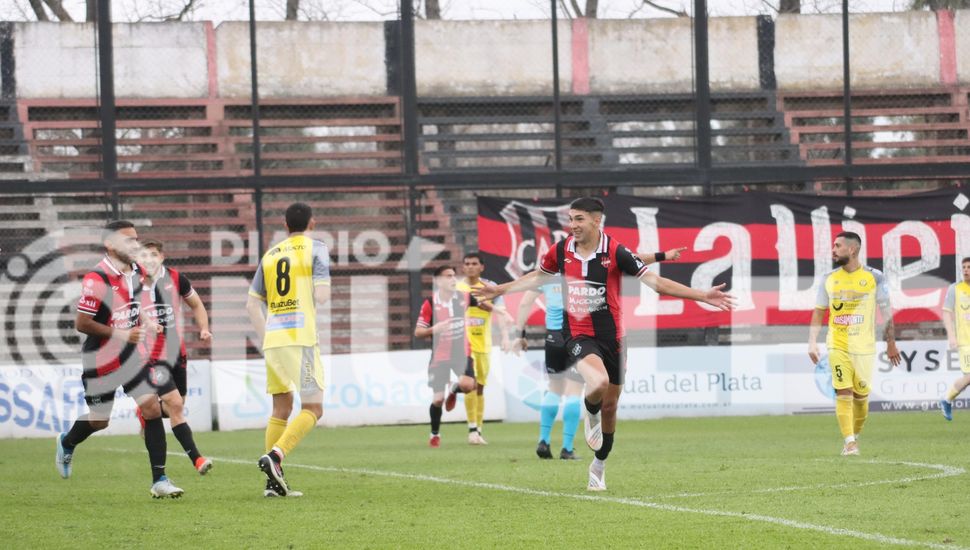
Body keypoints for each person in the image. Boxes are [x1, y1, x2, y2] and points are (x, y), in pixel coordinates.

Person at [475, 197, 733, 491]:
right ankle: (591, 414)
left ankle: (599, 463)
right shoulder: (560, 251)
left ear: (597, 221)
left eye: (579, 219)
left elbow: (657, 284)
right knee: (597, 383)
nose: (573, 225)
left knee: (611, 407)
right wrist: (501, 289)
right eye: (571, 219)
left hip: (615, 340)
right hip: (578, 336)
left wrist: (702, 295)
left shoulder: (615, 251)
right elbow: (537, 277)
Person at [513, 247, 686, 461]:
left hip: (554, 338)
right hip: (579, 335)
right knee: (576, 391)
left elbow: (525, 301)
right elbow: (627, 261)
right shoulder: (583, 270)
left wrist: (519, 333)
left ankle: (543, 441)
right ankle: (567, 448)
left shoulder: (548, 275)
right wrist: (661, 256)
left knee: (554, 388)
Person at [55, 220, 183, 499]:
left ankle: (159, 479)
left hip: (132, 356)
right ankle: (67, 441)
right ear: (110, 244)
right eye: (128, 240)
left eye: (136, 239)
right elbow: (82, 323)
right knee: (100, 421)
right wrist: (121, 334)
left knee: (151, 409)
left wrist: (147, 321)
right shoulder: (96, 279)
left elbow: (134, 304)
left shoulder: (136, 270)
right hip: (100, 359)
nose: (135, 245)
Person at [247, 203, 330, 497]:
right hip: (301, 338)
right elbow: (321, 296)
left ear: (285, 225)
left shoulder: (270, 254)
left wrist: (268, 334)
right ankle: (276, 456)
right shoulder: (316, 248)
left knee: (281, 408)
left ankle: (272, 484)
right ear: (312, 222)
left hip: (273, 340)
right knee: (314, 408)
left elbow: (251, 304)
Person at [809, 231, 901, 456]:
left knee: (861, 398)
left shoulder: (874, 277)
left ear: (852, 249)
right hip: (837, 344)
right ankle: (850, 443)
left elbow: (886, 312)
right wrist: (812, 341)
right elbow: (819, 312)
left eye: (837, 245)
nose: (833, 249)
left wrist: (891, 343)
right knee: (843, 392)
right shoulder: (829, 279)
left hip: (865, 347)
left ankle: (854, 436)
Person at [138, 239, 213, 475]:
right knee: (177, 405)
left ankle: (145, 411)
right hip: (150, 357)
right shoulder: (132, 284)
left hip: (177, 353)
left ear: (162, 257)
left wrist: (204, 328)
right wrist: (145, 322)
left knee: (175, 407)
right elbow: (124, 309)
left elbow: (197, 305)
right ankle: (198, 459)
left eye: (153, 255)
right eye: (144, 256)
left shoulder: (176, 279)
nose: (148, 260)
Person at [415, 265, 477, 448]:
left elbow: (484, 302)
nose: (453, 279)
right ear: (438, 281)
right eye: (448, 276)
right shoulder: (429, 303)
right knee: (437, 400)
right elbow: (418, 332)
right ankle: (435, 433)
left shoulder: (463, 297)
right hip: (439, 357)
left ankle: (454, 389)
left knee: (468, 385)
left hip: (462, 353)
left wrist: (499, 312)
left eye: (453, 275)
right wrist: (435, 329)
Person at [455, 252, 511, 445]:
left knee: (480, 387)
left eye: (474, 264)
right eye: (467, 263)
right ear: (463, 267)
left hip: (483, 345)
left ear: (481, 267)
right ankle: (472, 429)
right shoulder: (457, 288)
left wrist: (504, 337)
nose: (470, 267)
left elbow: (502, 313)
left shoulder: (490, 287)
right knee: (469, 384)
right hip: (463, 346)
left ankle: (478, 430)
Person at [939, 257, 970, 421]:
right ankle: (946, 399)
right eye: (964, 267)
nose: (966, 270)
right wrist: (951, 335)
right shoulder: (955, 289)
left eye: (969, 267)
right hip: (966, 342)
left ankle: (946, 400)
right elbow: (946, 312)